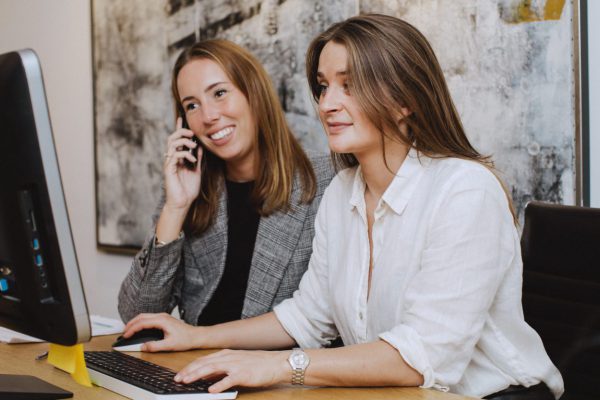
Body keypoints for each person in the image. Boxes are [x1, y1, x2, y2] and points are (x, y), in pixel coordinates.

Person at [122, 14, 564, 400]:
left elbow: (421, 357)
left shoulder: (465, 190)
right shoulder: (343, 193)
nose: (327, 103)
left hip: (493, 395)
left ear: (404, 99)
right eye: (323, 86)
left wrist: (281, 366)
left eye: (349, 85)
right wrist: (200, 337)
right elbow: (307, 316)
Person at [118, 39, 334, 327]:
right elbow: (137, 315)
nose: (208, 116)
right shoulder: (191, 189)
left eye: (219, 93)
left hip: (276, 368)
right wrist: (175, 208)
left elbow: (328, 322)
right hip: (193, 365)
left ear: (253, 93)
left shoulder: (323, 179)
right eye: (192, 105)